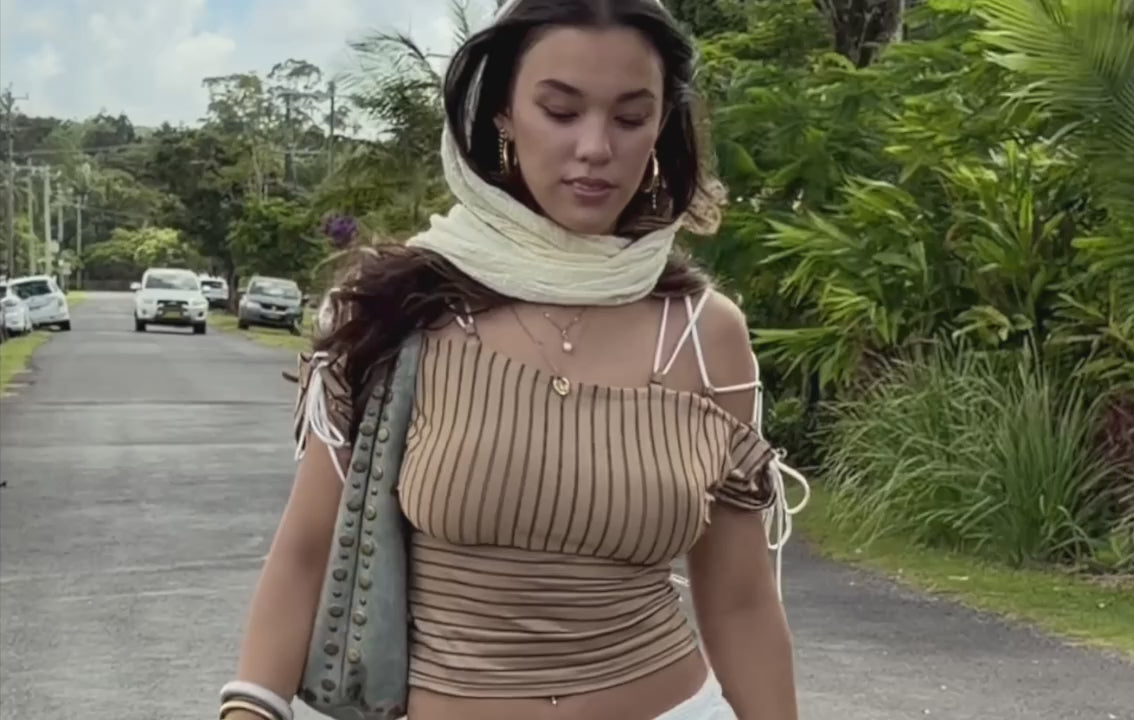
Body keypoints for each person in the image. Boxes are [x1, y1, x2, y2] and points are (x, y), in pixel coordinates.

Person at [221, 1, 805, 718]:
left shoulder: (704, 334)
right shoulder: (393, 311)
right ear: (502, 113)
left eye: (630, 118)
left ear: (661, 127)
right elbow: (307, 553)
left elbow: (741, 601)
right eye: (561, 111)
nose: (595, 147)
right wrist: (250, 707)